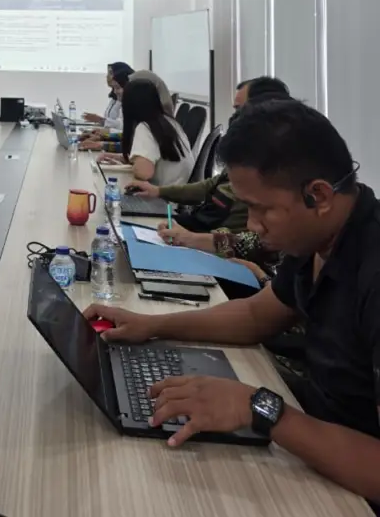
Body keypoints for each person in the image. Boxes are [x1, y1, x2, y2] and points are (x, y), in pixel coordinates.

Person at [85, 99, 380, 506]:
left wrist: (260, 408)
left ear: (319, 195)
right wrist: (152, 325)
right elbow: (256, 315)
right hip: (317, 442)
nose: (253, 226)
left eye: (260, 210)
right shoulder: (316, 237)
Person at [131, 75, 292, 233]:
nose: (235, 117)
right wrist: (159, 191)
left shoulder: (273, 168)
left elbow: (248, 242)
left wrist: (192, 239)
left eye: (240, 109)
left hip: (212, 237)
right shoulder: (247, 151)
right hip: (204, 226)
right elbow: (211, 185)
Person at [97, 79, 193, 186]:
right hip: (179, 189)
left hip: (166, 194)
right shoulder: (169, 122)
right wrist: (120, 158)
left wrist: (128, 166)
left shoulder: (146, 127)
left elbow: (144, 173)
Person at [82, 62, 134, 130]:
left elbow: (122, 126)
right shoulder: (115, 97)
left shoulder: (130, 101)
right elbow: (111, 122)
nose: (107, 76)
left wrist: (100, 120)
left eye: (111, 73)